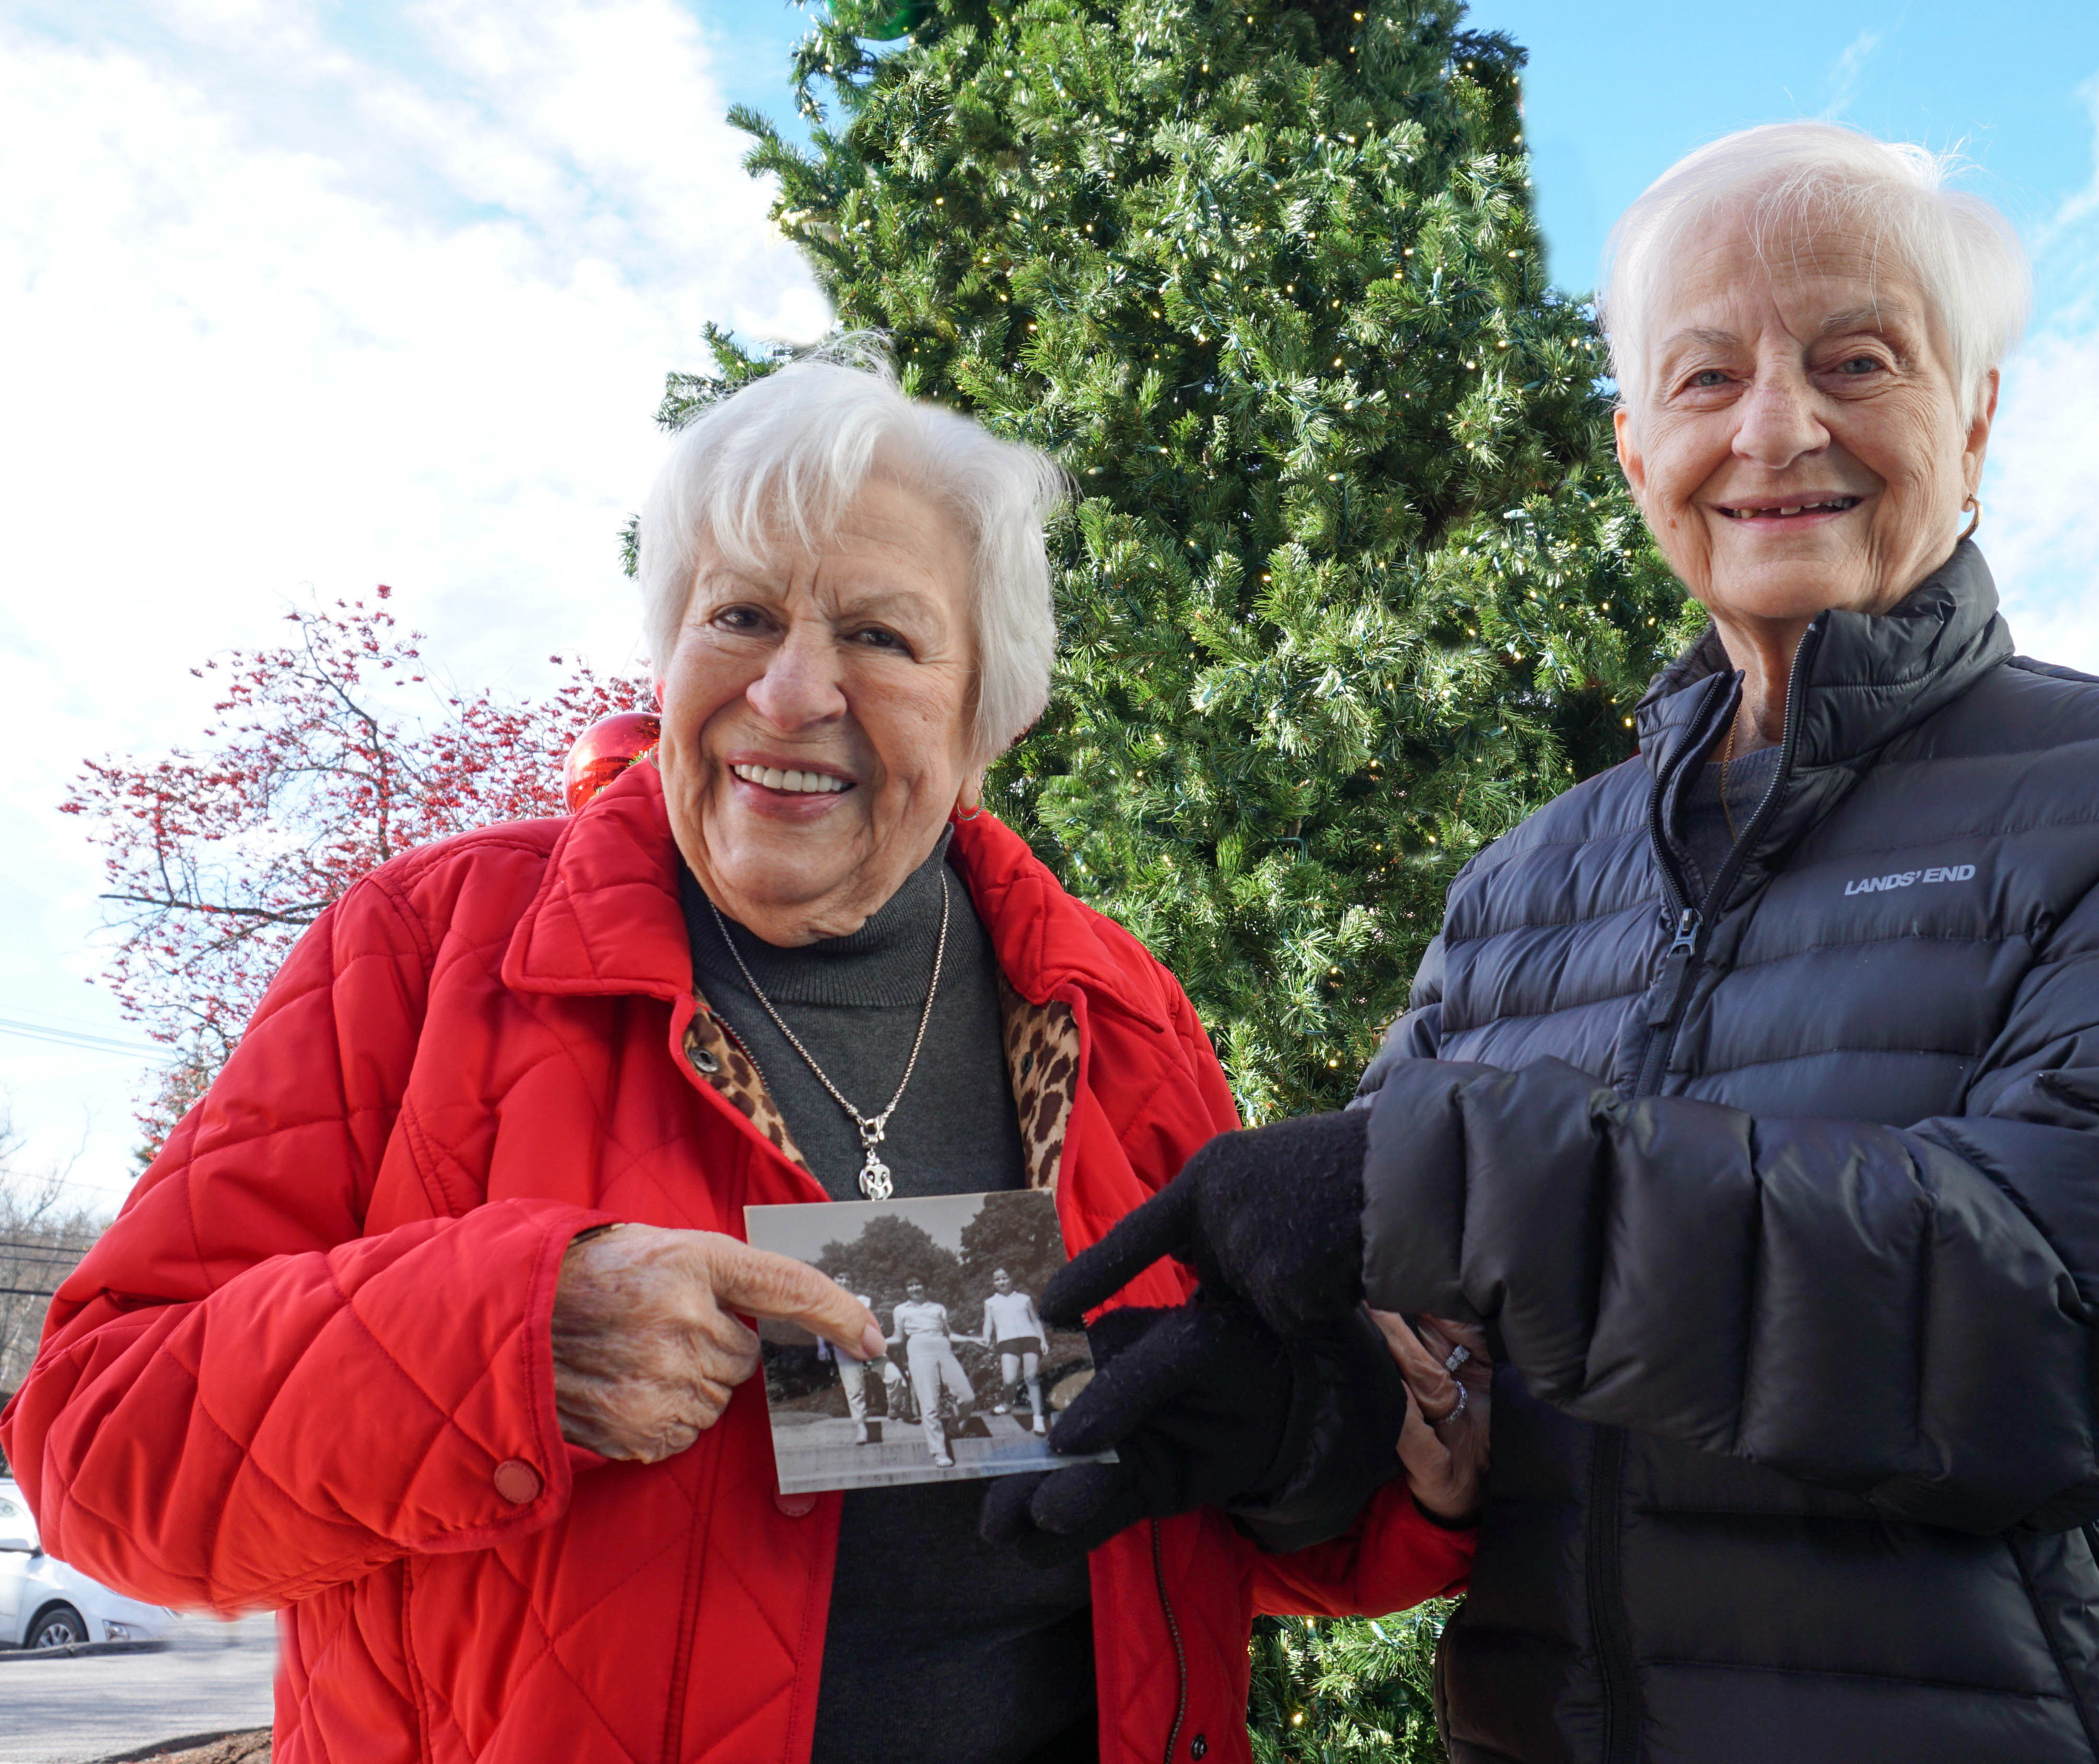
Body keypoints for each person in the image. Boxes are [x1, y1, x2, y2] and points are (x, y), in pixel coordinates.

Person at [1026, 124, 2099, 1762]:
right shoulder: (1521, 891)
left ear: (1978, 414)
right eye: (1705, 378)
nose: (1778, 426)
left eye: (1855, 359)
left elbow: (2095, 1319)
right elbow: (1444, 1366)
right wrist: (1309, 1423)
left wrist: (1444, 1187)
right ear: (1631, 447)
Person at [0, 344, 1484, 1764]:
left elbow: (1220, 1549)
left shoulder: (1113, 1013)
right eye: (741, 618)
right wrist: (508, 1338)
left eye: (880, 636)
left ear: (990, 710)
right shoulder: (429, 951)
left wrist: (1309, 1447)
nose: (790, 694)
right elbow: (97, 1449)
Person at [885, 1277, 982, 1466]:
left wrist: (972, 1340)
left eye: (918, 1284)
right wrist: (879, 1343)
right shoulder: (901, 1310)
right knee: (930, 1404)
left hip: (943, 1349)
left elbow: (949, 1334)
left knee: (968, 1397)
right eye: (911, 1285)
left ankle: (954, 1429)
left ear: (925, 1286)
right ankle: (939, 1452)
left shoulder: (938, 1308)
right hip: (919, 1350)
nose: (915, 1288)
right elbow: (898, 1338)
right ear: (906, 1289)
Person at [819, 1272, 902, 1441]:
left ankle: (894, 1408)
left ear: (853, 1282)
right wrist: (822, 1347)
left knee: (895, 1377)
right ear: (834, 1280)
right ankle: (861, 1426)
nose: (844, 1281)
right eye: (840, 1278)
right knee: (854, 1389)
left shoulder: (864, 1300)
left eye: (848, 1278)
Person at [983, 1267, 1052, 1436]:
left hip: (1030, 1338)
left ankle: (1038, 1419)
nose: (1002, 1282)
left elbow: (1035, 1321)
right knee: (1009, 1380)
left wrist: (1043, 1340)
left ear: (1011, 1279)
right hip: (1007, 1341)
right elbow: (988, 1323)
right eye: (998, 1279)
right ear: (993, 1283)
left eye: (1005, 1278)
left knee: (1031, 1378)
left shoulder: (1024, 1299)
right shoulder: (990, 1303)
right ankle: (1007, 1404)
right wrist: (986, 1337)